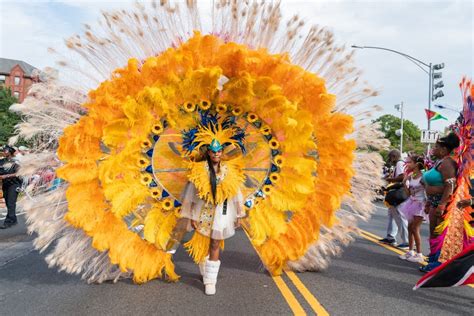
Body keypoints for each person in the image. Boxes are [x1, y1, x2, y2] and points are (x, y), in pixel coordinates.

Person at [179, 139, 246, 295]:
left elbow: (236, 193)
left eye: (219, 151)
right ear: (208, 152)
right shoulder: (200, 170)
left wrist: (239, 214)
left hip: (222, 211)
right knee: (203, 240)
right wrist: (191, 215)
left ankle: (210, 280)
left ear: (222, 152)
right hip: (203, 211)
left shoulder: (228, 170)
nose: (216, 154)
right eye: (213, 151)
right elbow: (192, 194)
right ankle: (204, 265)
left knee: (215, 242)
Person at [421, 133, 460, 272]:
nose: (433, 149)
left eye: (436, 147)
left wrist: (442, 205)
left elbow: (450, 184)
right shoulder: (440, 162)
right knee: (433, 233)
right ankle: (432, 259)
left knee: (438, 234)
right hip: (434, 203)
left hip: (441, 205)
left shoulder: (448, 163)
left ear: (444, 150)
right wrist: (428, 203)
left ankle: (438, 263)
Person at [398, 155, 426, 263]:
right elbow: (408, 193)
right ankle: (410, 251)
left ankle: (419, 254)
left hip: (420, 204)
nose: (406, 164)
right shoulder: (411, 175)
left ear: (417, 164)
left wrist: (427, 204)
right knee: (410, 227)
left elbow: (427, 191)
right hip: (411, 202)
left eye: (409, 162)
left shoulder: (423, 176)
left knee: (415, 228)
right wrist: (405, 183)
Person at [380, 149, 409, 248]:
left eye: (390, 157)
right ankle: (390, 237)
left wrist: (389, 179)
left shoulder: (400, 163)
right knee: (392, 215)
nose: (390, 160)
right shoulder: (399, 164)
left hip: (399, 193)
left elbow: (402, 177)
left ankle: (406, 241)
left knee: (400, 217)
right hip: (395, 192)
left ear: (394, 156)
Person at [0, 145, 22, 229]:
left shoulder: (16, 161)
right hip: (5, 184)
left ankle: (8, 221)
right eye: (3, 150)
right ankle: (13, 219)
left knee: (11, 203)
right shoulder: (2, 161)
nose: (4, 151)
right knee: (8, 203)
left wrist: (7, 176)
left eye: (5, 150)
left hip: (14, 184)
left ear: (10, 152)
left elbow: (19, 173)